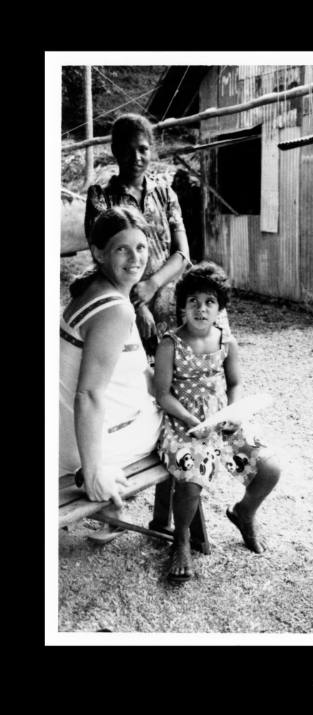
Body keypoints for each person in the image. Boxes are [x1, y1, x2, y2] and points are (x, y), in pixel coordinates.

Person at [154, 261, 280, 583]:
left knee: (269, 468)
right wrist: (190, 418)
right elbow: (163, 394)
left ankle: (244, 513)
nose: (201, 308)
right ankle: (181, 538)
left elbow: (235, 383)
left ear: (219, 308)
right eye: (193, 301)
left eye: (210, 301)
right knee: (191, 474)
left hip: (222, 423)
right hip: (184, 425)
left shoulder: (226, 341)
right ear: (182, 305)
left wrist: (233, 413)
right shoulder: (170, 343)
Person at [60, 207, 162, 542]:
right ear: (99, 253)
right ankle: (162, 522)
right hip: (83, 449)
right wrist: (92, 473)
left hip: (65, 432)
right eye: (122, 249)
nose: (135, 258)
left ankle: (116, 513)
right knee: (183, 419)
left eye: (141, 247)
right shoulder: (115, 310)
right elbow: (88, 394)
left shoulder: (94, 291)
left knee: (165, 393)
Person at [84, 113, 192, 356]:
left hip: (166, 295)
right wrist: (138, 304)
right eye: (127, 149)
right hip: (119, 296)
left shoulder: (165, 194)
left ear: (152, 150)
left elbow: (182, 253)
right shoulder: (101, 197)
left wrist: (152, 285)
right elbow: (102, 259)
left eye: (143, 149)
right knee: (132, 377)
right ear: (114, 150)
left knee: (173, 374)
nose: (136, 157)